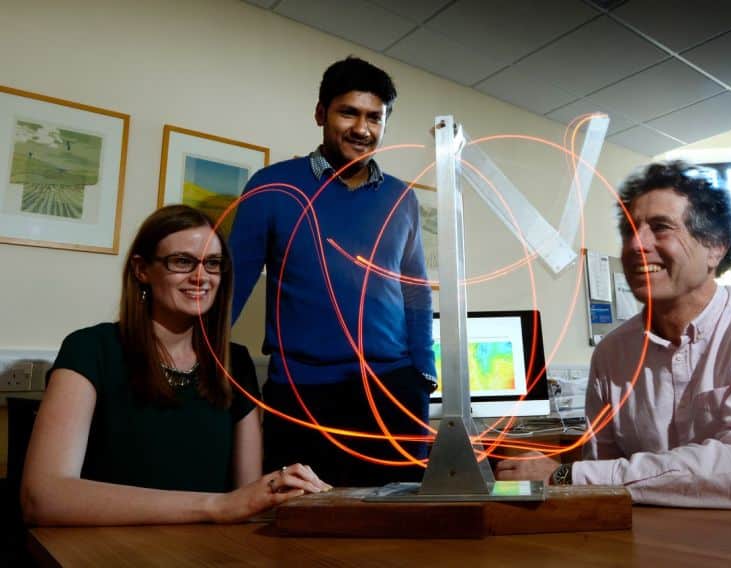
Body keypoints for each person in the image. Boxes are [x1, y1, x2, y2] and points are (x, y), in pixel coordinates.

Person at [495, 162, 731, 518]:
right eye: (630, 231)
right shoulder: (611, 353)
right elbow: (606, 487)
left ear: (715, 248)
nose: (636, 245)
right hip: (676, 541)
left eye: (661, 228)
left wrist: (565, 474)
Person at [21, 205, 330, 526]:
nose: (201, 276)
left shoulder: (236, 363)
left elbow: (244, 500)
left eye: (212, 264)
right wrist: (216, 506)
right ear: (141, 270)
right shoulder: (89, 349)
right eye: (182, 261)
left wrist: (281, 490)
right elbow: (43, 497)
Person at [229, 56, 436, 486]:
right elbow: (230, 287)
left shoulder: (403, 199)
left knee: (398, 531)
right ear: (321, 113)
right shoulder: (271, 186)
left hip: (393, 391)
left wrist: (423, 372)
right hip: (303, 394)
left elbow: (415, 292)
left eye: (375, 118)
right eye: (349, 112)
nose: (363, 128)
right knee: (299, 528)